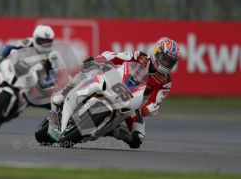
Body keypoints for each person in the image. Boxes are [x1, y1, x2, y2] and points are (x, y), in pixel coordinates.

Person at [52, 37, 181, 149]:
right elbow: (119, 57)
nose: (166, 63)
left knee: (137, 138)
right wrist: (104, 58)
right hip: (118, 81)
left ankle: (112, 130)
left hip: (134, 103)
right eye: (164, 58)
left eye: (170, 62)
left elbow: (155, 102)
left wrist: (145, 110)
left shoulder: (165, 82)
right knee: (90, 68)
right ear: (156, 52)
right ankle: (65, 93)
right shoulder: (140, 56)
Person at [0, 24, 58, 89]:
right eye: (42, 41)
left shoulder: (53, 54)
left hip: (35, 81)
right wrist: (1, 56)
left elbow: (54, 74)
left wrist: (46, 82)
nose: (44, 44)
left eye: (47, 41)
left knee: (48, 91)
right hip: (20, 69)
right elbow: (9, 46)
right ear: (35, 38)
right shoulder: (28, 42)